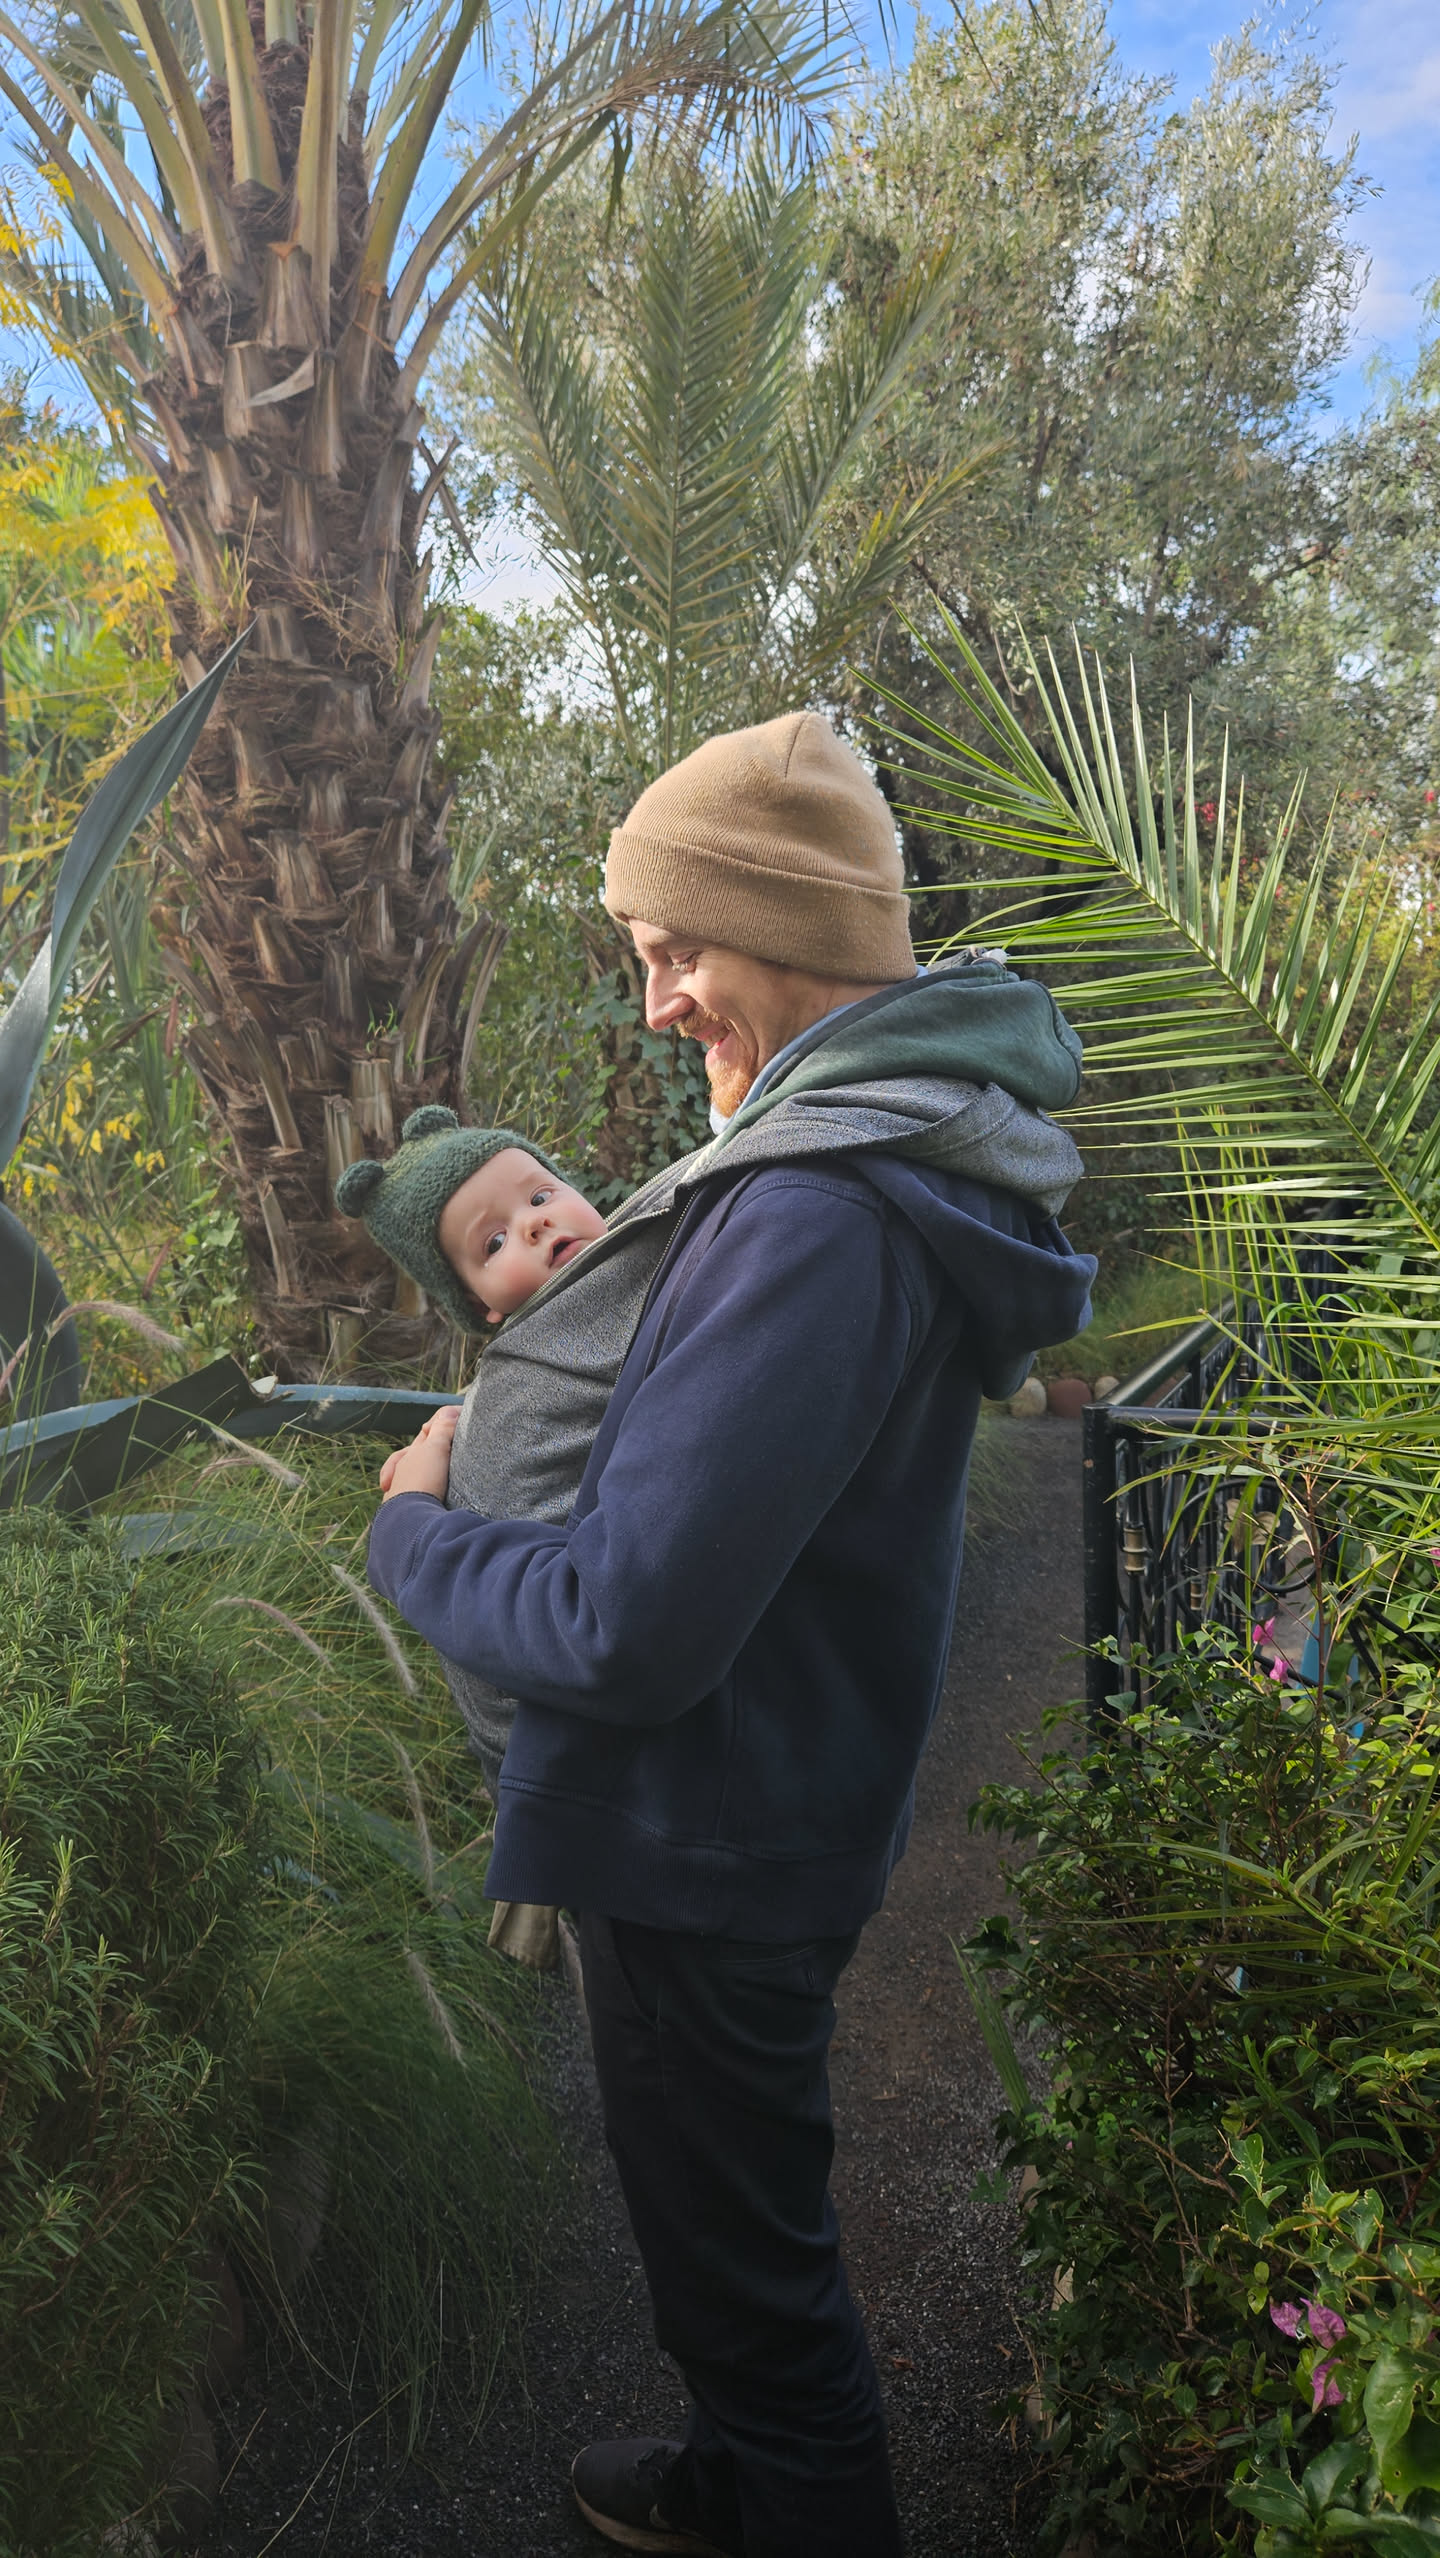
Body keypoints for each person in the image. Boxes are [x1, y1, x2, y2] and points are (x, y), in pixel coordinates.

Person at [365, 709, 1096, 2558]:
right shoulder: (855, 1154)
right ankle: (725, 2483)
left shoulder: (813, 1214)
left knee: (768, 2311)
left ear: (786, 924)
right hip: (759, 1797)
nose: (657, 1002)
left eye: (676, 949)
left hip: (710, 1845)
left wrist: (416, 1530)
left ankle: (778, 2483)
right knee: (712, 2248)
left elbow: (620, 1624)